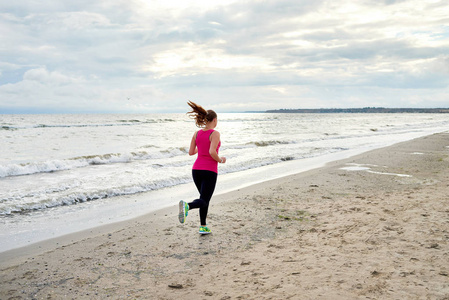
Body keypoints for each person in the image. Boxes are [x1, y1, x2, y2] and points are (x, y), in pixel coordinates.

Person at [178, 101, 226, 235]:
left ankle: (203, 226)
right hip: (209, 171)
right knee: (204, 199)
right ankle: (187, 206)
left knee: (204, 199)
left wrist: (203, 146)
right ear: (215, 120)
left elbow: (191, 152)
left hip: (196, 171)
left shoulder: (196, 134)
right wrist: (221, 159)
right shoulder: (215, 133)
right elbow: (212, 152)